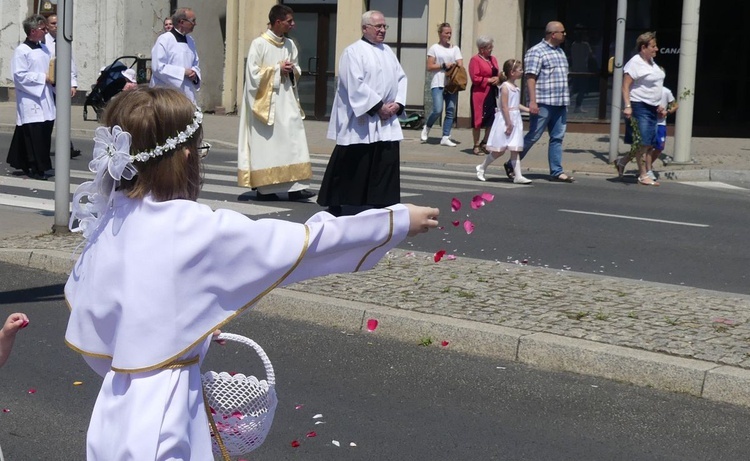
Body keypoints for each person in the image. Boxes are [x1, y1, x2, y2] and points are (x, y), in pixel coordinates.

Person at [64, 86, 439, 460]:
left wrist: (183, 328)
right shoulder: (192, 227)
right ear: (185, 156)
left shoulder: (112, 218)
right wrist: (396, 221)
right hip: (166, 412)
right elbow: (306, 244)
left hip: (114, 407)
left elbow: (102, 312)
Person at [316, 10, 407, 217]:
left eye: (385, 26)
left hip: (386, 118)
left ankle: (381, 200)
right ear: (365, 28)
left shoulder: (387, 51)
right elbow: (353, 84)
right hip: (362, 117)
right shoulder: (352, 52)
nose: (383, 30)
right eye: (378, 26)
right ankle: (338, 200)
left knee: (384, 159)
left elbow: (401, 78)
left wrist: (398, 104)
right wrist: (377, 107)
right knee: (354, 160)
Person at [237, 4, 315, 202]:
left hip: (287, 100)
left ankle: (297, 187)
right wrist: (276, 69)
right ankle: (267, 189)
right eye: (289, 21)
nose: (293, 25)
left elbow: (296, 70)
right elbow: (252, 75)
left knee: (294, 139)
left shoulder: (290, 45)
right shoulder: (259, 44)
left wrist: (291, 70)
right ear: (278, 22)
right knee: (269, 145)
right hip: (266, 104)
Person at [503, 21, 575, 183]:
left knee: (557, 137)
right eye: (562, 32)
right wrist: (533, 102)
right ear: (553, 34)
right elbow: (530, 78)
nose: (564, 35)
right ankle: (512, 163)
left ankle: (556, 171)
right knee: (534, 135)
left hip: (560, 102)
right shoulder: (536, 52)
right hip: (543, 102)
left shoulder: (560, 52)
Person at [6, 15, 56, 180]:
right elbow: (19, 76)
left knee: (44, 132)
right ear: (33, 31)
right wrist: (43, 78)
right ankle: (35, 167)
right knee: (34, 134)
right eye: (43, 29)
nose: (45, 31)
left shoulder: (44, 48)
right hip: (31, 99)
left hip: (46, 96)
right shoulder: (22, 50)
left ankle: (42, 165)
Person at [615, 31, 665, 186]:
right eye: (653, 46)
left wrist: (658, 104)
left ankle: (622, 161)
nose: (656, 49)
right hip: (639, 106)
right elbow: (625, 86)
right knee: (642, 142)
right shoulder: (635, 62)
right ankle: (643, 175)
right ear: (644, 47)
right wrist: (628, 106)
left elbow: (653, 85)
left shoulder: (652, 63)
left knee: (648, 143)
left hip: (652, 108)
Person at [476, 59, 531, 184]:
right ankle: (482, 167)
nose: (522, 72)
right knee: (498, 151)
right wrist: (508, 123)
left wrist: (528, 110)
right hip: (506, 120)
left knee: (515, 149)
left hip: (515, 119)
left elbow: (515, 105)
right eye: (520, 70)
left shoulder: (515, 88)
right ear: (512, 72)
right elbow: (505, 106)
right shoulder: (505, 87)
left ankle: (518, 176)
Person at [420, 22, 463, 147]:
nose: (449, 35)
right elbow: (429, 66)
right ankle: (427, 126)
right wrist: (443, 65)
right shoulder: (434, 48)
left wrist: (454, 65)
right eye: (446, 33)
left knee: (450, 110)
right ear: (440, 34)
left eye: (450, 33)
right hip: (438, 82)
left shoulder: (455, 49)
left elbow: (460, 64)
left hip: (451, 83)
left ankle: (445, 136)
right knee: (438, 109)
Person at [45, 13, 81, 159]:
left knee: (63, 118)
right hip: (47, 85)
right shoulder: (43, 42)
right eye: (53, 23)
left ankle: (67, 147)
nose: (56, 26)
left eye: (58, 23)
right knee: (47, 119)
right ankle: (43, 148)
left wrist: (73, 83)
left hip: (62, 85)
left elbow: (70, 62)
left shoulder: (64, 41)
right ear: (47, 26)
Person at [149, 7, 201, 103]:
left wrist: (194, 75)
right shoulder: (164, 39)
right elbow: (158, 67)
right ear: (182, 22)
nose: (195, 24)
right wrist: (182, 72)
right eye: (193, 21)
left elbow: (195, 64)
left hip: (187, 94)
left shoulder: (191, 41)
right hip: (166, 95)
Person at [468, 35, 500, 155]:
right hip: (480, 93)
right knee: (478, 119)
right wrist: (488, 80)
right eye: (489, 47)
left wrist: (498, 78)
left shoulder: (493, 59)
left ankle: (485, 142)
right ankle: (476, 145)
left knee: (491, 118)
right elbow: (474, 77)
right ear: (482, 49)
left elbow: (497, 72)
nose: (491, 49)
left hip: (491, 92)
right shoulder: (475, 60)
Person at [646, 85, 678, 180]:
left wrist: (667, 112)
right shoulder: (648, 90)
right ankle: (648, 170)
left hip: (661, 123)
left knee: (660, 147)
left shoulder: (666, 91)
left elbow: (675, 105)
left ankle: (647, 165)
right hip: (649, 122)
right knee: (649, 147)